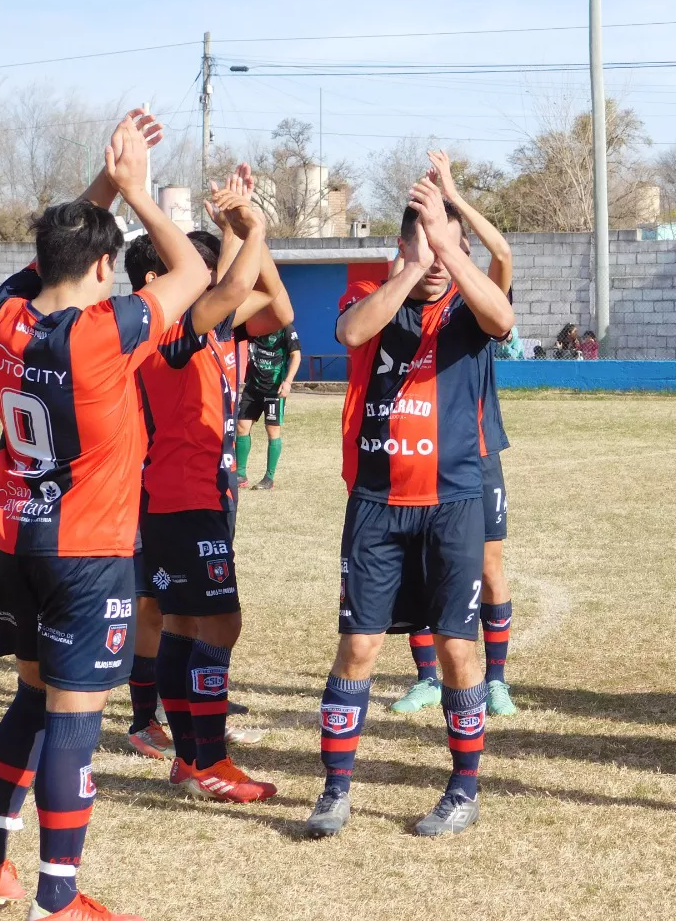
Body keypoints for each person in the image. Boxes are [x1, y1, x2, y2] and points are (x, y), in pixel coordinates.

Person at [0, 111, 212, 920]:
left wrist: (103, 191)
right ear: (105, 265)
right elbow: (192, 273)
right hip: (87, 553)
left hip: (16, 541)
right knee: (74, 719)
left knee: (32, 702)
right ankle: (56, 899)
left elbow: (57, 256)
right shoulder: (107, 333)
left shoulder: (4, 315)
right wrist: (137, 190)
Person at [304, 176, 514, 840]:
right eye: (418, 245)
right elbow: (349, 330)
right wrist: (417, 265)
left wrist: (450, 255)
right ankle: (336, 791)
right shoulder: (374, 297)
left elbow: (503, 319)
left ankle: (463, 789)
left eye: (442, 243)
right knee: (359, 645)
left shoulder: (469, 307)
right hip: (376, 504)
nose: (430, 262)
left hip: (453, 503)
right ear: (401, 247)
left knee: (457, 649)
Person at [133, 172, 287, 804]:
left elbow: (272, 306)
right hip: (181, 497)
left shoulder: (198, 330)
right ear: (154, 283)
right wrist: (253, 228)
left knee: (186, 623)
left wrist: (237, 230)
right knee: (219, 623)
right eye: (184, 272)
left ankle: (191, 759)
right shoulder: (164, 331)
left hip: (192, 496)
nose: (197, 282)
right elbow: (228, 288)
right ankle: (210, 760)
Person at [387, 148, 521, 720]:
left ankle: (494, 681)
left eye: (453, 245)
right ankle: (425, 677)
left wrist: (455, 198)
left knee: (489, 567)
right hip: (415, 457)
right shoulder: (403, 301)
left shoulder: (475, 306)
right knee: (421, 567)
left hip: (477, 455)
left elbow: (503, 253)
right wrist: (420, 240)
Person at [234, 322, 300, 492]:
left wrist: (288, 382)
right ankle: (240, 474)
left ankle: (269, 478)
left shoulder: (285, 328)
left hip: (274, 389)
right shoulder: (251, 325)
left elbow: (296, 355)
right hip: (252, 388)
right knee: (241, 426)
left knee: (272, 431)